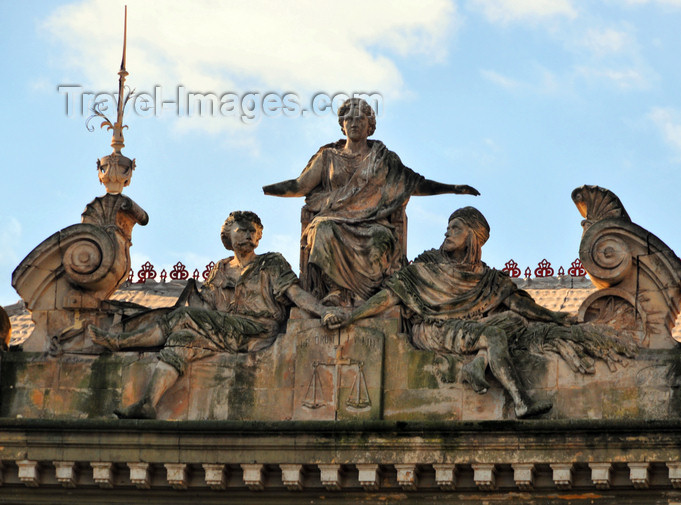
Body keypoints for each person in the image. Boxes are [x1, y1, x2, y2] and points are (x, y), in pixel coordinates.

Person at [326, 207, 605, 419]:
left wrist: (556, 317)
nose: (447, 232)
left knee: (515, 320)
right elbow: (389, 297)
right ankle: (521, 402)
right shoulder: (428, 266)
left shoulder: (488, 279)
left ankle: (479, 363)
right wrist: (352, 316)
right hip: (433, 328)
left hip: (467, 327)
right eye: (447, 227)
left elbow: (521, 307)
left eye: (455, 228)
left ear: (472, 236)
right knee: (494, 334)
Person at [88, 211, 344, 419]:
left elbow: (296, 294)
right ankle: (147, 403)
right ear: (228, 234)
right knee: (182, 339)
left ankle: (120, 342)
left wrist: (323, 311)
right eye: (243, 229)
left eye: (254, 231)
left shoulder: (271, 262)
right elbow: (209, 311)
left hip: (259, 330)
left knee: (184, 318)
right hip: (225, 333)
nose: (249, 234)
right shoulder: (220, 269)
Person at [263, 98, 479, 305]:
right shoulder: (328, 156)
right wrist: (266, 189)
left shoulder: (383, 159)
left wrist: (453, 189)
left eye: (360, 119)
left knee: (380, 237)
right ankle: (337, 293)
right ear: (342, 125)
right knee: (322, 229)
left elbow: (414, 184)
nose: (354, 123)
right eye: (349, 119)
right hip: (333, 219)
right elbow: (300, 186)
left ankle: (367, 297)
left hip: (372, 223)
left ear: (370, 125)